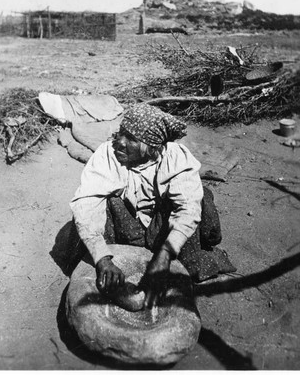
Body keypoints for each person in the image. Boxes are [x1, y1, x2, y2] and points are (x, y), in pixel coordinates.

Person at [69, 103, 235, 308]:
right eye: (120, 133)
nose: (119, 142)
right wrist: (102, 258)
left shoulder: (175, 158)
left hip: (162, 224)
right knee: (103, 208)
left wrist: (165, 255)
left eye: (130, 139)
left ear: (151, 147)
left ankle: (189, 251)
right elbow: (86, 201)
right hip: (131, 225)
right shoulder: (108, 154)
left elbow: (187, 209)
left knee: (197, 201)